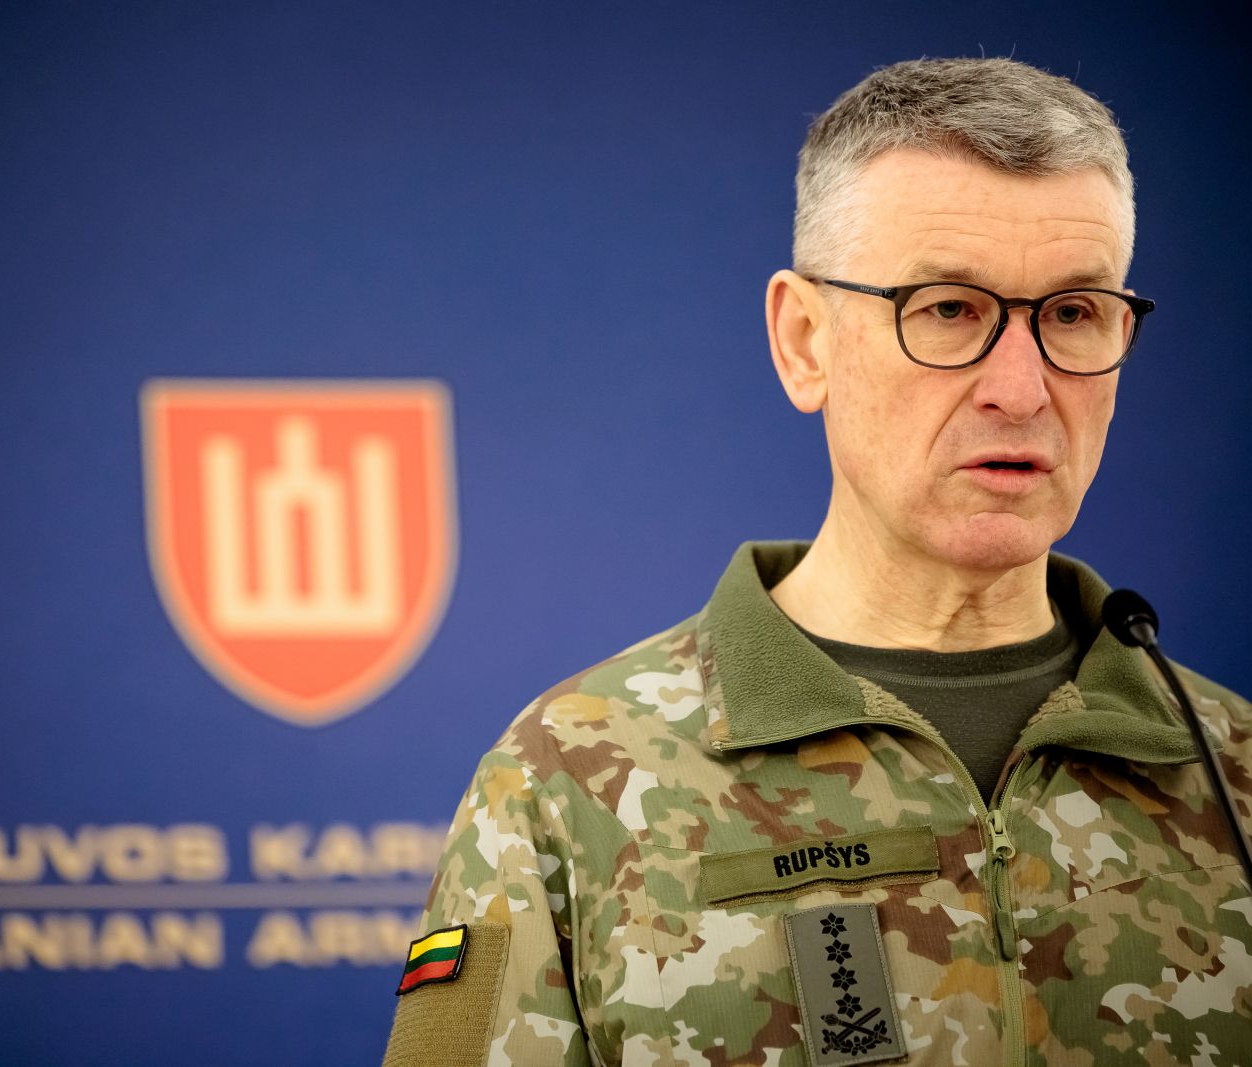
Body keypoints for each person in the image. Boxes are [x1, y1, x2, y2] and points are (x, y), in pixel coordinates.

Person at [381, 57, 1252, 1066]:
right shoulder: (565, 780)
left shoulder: (1232, 769)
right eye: (948, 309)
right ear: (804, 341)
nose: (1020, 388)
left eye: (1073, 313)